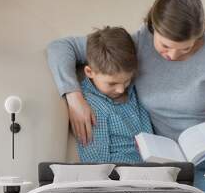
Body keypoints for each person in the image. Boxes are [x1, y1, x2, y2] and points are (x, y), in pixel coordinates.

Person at [46, 0, 205, 193]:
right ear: (153, 27)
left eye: (186, 48)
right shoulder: (135, 44)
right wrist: (74, 97)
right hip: (183, 162)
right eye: (165, 46)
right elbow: (60, 47)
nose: (172, 55)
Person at [52, 26, 153, 163]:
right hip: (119, 176)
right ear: (89, 72)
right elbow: (96, 161)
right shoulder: (92, 106)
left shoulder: (133, 89)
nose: (121, 89)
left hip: (152, 167)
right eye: (112, 84)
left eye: (127, 80)